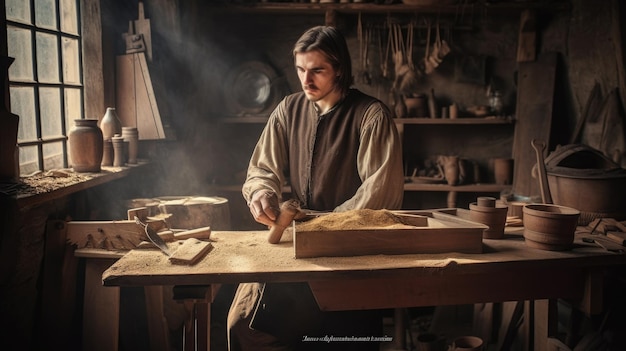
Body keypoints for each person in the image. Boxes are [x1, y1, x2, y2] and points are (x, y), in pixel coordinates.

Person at [227, 25, 405, 351]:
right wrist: (261, 192)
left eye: (317, 71)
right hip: (295, 253)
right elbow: (262, 169)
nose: (306, 81)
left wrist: (319, 225)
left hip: (349, 256)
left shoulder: (371, 116)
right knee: (246, 326)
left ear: (339, 69)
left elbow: (379, 194)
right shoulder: (287, 110)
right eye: (300, 70)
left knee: (342, 341)